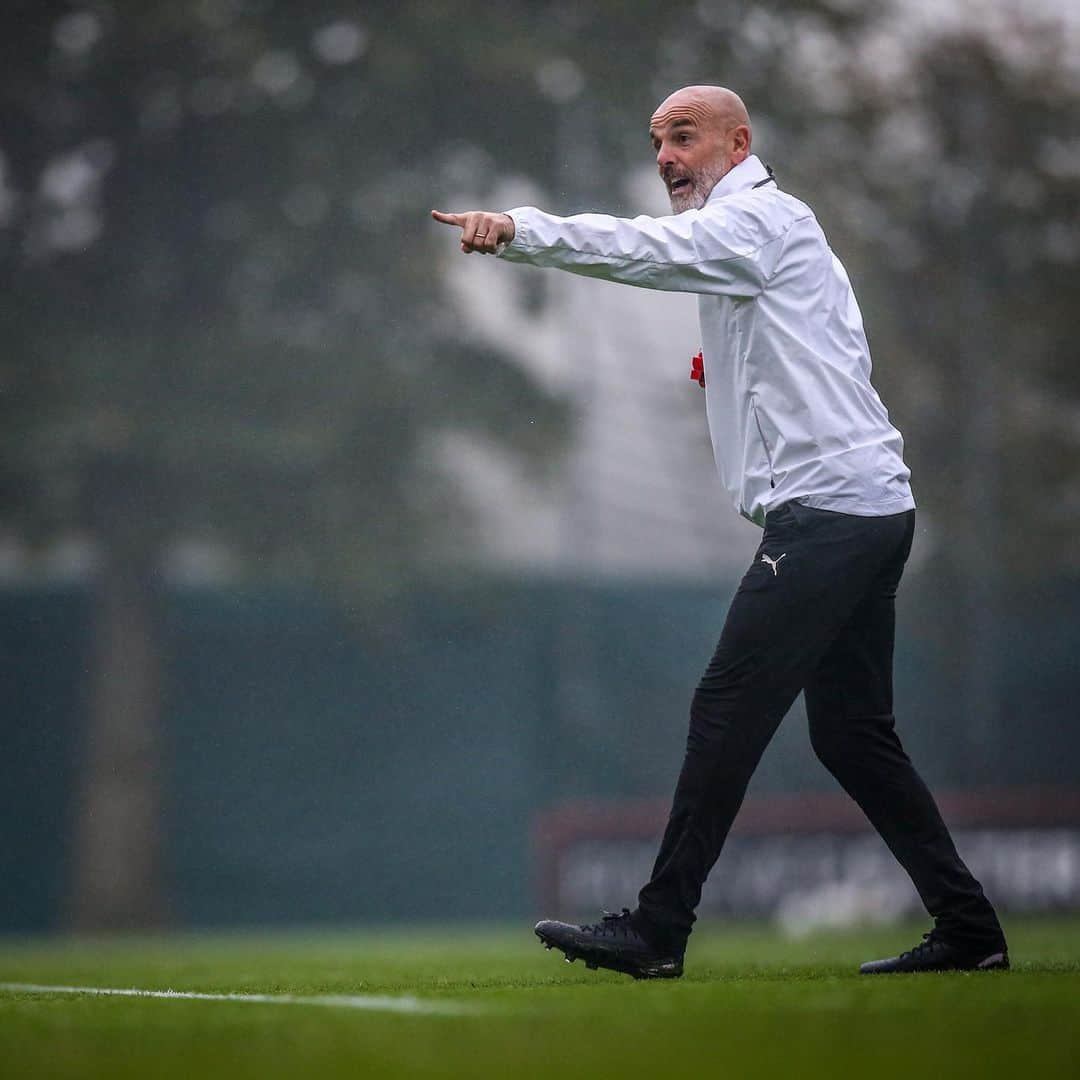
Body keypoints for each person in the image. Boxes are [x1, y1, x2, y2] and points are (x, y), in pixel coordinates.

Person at [431, 85, 1008, 978]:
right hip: (865, 506)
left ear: (739, 145)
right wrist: (738, 374)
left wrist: (521, 229)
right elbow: (828, 348)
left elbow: (647, 251)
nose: (665, 156)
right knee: (851, 735)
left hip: (831, 515)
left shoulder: (759, 223)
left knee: (724, 708)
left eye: (684, 138)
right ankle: (970, 930)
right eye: (657, 140)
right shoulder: (773, 236)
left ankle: (658, 928)